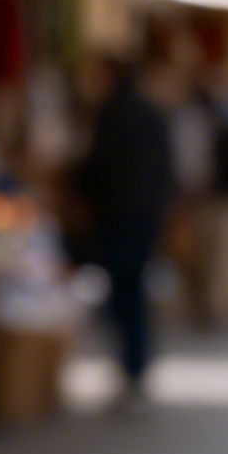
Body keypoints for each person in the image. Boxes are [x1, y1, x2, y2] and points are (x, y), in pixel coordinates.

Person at [74, 56, 176, 407]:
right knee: (134, 288)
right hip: (145, 214)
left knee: (124, 290)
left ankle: (131, 365)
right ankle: (137, 363)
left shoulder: (111, 114)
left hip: (118, 214)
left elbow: (98, 166)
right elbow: (166, 167)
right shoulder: (151, 113)